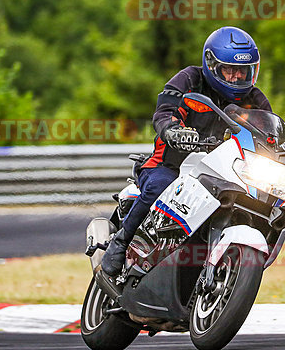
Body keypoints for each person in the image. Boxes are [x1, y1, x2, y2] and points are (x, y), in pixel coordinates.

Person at [101, 26, 271, 276]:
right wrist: (172, 130)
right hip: (173, 165)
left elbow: (270, 132)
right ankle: (120, 243)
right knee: (160, 187)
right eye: (229, 70)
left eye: (242, 72)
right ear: (212, 65)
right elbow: (164, 111)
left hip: (223, 172)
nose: (236, 77)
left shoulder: (254, 99)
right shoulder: (190, 79)